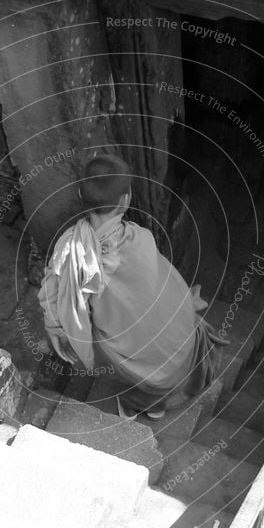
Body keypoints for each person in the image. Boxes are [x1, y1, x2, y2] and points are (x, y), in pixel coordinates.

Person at [37, 153, 225, 419]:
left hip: (143, 367)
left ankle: (142, 403)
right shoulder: (141, 238)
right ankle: (154, 404)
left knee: (100, 333)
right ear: (126, 199)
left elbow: (53, 293)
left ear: (80, 194)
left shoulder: (70, 250)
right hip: (182, 339)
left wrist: (55, 326)